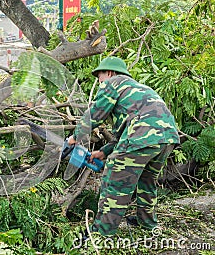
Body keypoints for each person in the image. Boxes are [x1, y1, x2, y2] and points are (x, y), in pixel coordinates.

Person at [68, 56, 180, 236]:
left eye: (100, 76)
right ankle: (147, 223)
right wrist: (102, 152)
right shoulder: (138, 89)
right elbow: (123, 135)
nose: (99, 81)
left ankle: (102, 233)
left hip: (142, 135)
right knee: (147, 181)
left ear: (110, 73)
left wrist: (74, 137)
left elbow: (96, 114)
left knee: (115, 181)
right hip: (167, 138)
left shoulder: (113, 83)